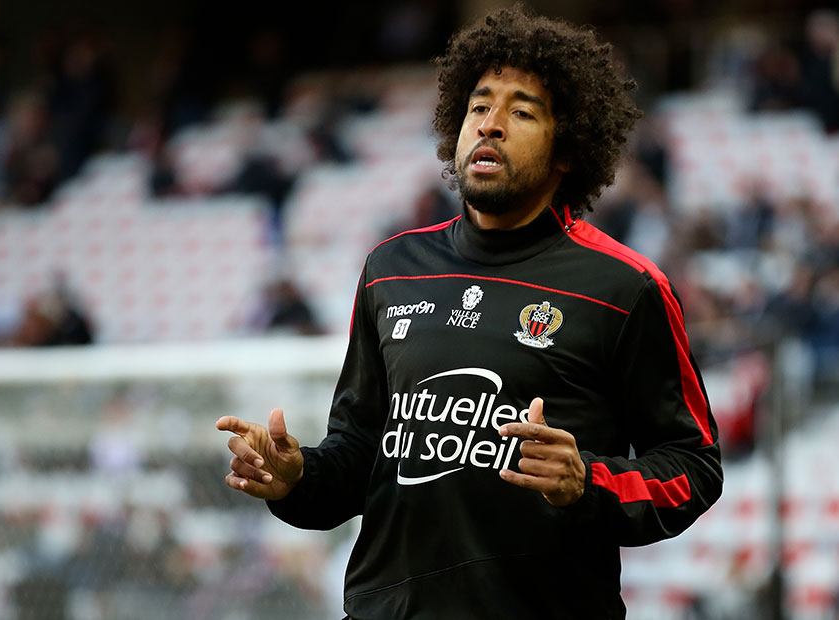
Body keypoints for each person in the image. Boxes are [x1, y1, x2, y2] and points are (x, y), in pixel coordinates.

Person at [216, 7, 723, 619]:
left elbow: (692, 467)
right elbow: (359, 452)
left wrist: (587, 482)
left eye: (522, 112)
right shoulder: (390, 269)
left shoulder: (625, 287)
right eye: (479, 106)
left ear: (567, 148)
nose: (491, 124)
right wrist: (297, 478)